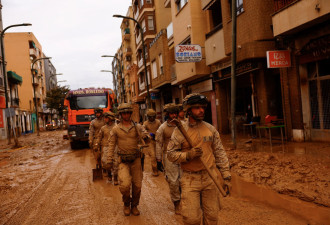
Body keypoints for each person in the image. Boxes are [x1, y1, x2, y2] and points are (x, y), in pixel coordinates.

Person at [167, 93, 231, 225]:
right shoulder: (179, 131)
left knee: (212, 218)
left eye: (203, 107)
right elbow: (170, 155)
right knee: (191, 219)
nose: (201, 110)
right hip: (190, 180)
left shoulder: (210, 129)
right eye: (197, 108)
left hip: (210, 177)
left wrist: (226, 176)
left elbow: (220, 153)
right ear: (188, 110)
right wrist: (188, 155)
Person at [106, 103, 148, 216]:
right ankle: (126, 203)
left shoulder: (137, 127)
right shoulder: (116, 129)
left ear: (130, 113)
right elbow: (111, 145)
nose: (126, 115)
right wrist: (109, 160)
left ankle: (134, 205)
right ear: (120, 114)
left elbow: (145, 134)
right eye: (124, 113)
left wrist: (146, 136)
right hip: (123, 161)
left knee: (137, 186)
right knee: (124, 186)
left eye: (128, 112)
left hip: (136, 160)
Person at [155, 103, 182, 215]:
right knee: (173, 181)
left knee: (184, 180)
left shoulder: (183, 125)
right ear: (167, 114)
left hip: (184, 155)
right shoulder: (162, 128)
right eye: (171, 113)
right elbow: (158, 144)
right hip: (169, 157)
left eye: (175, 113)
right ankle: (177, 203)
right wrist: (158, 160)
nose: (174, 115)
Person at [94, 111, 118, 185]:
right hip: (106, 147)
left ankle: (116, 178)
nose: (104, 119)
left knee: (116, 163)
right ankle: (109, 174)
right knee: (106, 163)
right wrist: (96, 145)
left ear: (110, 118)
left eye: (106, 118)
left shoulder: (117, 127)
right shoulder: (103, 128)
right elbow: (99, 137)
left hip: (115, 147)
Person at [143, 108, 161, 176]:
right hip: (150, 142)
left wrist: (157, 135)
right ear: (148, 117)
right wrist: (148, 134)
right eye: (150, 117)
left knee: (159, 155)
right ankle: (155, 170)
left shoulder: (158, 122)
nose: (152, 118)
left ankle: (160, 167)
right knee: (153, 156)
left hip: (158, 141)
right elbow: (143, 130)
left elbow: (161, 130)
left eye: (153, 117)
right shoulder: (145, 123)